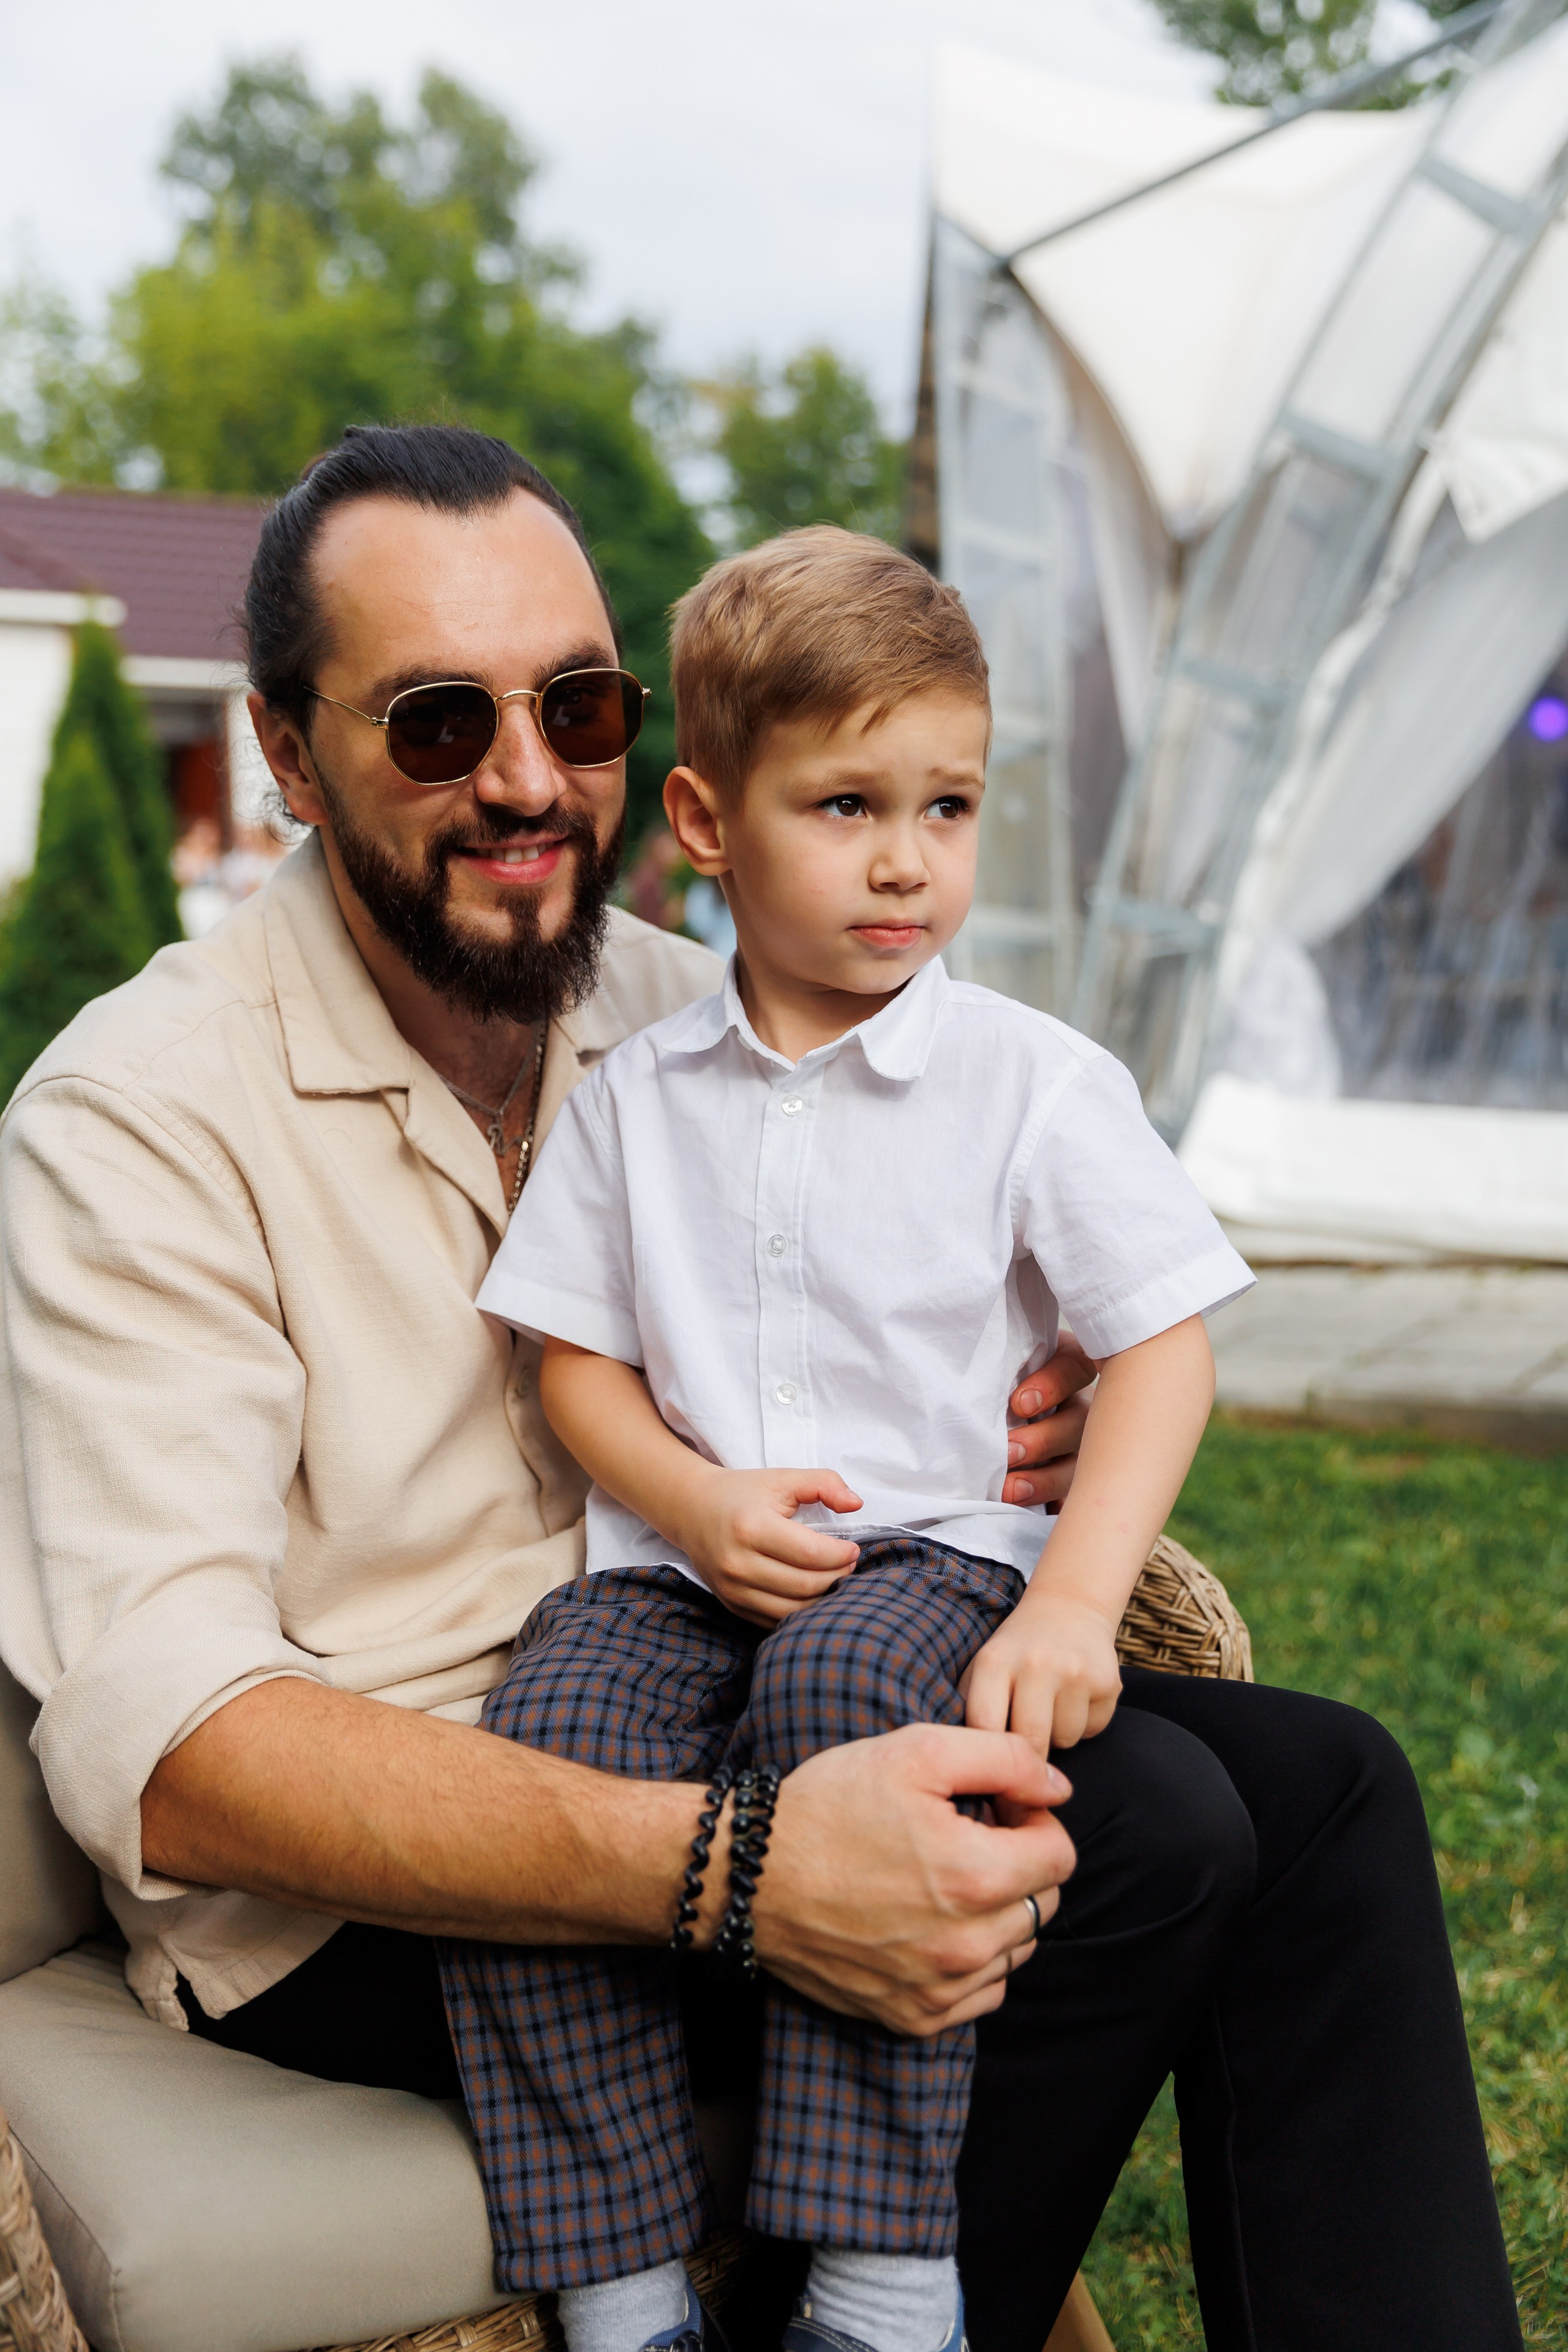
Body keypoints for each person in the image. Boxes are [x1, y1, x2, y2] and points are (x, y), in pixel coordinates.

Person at [0, 424, 1520, 2352]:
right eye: (441, 724)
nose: (531, 777)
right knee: (1148, 1836)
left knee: (1332, 1792)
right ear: (288, 757)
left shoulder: (687, 1008)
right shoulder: (132, 1119)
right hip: (372, 1875)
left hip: (750, 1677)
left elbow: (992, 1277)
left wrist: (1021, 1401)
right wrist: (738, 1873)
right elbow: (178, 1753)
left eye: (578, 701)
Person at [451, 528, 1253, 2352]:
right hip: (681, 1573)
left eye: (949, 806)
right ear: (710, 821)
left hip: (935, 1567)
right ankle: (622, 2283)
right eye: (846, 805)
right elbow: (576, 1363)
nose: (908, 860)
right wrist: (691, 1497)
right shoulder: (636, 1100)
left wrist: (1068, 1607)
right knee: (541, 1765)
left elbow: (1164, 1349)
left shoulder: (1034, 1085)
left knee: (849, 1720)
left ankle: (886, 2284)